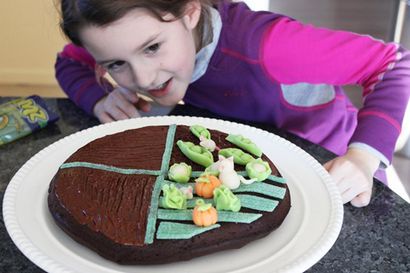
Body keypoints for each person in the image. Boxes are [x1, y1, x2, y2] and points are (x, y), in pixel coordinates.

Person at [55, 0, 410, 207]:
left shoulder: (270, 48)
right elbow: (70, 61)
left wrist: (363, 157)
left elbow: (392, 63)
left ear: (190, 12)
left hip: (335, 169)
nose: (144, 79)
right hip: (248, 166)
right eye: (117, 64)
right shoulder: (120, 38)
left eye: (152, 48)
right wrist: (98, 96)